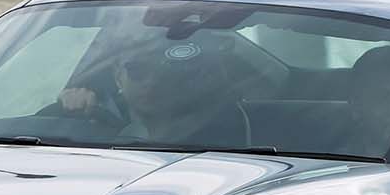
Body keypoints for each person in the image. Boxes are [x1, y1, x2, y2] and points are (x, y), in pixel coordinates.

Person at [55, 37, 250, 148]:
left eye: (163, 72)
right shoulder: (90, 120)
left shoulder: (227, 133)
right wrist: (66, 111)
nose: (152, 81)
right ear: (117, 75)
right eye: (137, 70)